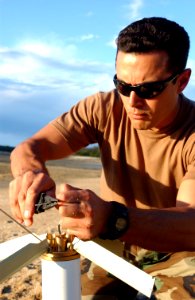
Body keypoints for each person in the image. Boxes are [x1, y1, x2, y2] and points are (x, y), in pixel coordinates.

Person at [9, 16, 195, 299]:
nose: (132, 101)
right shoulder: (102, 107)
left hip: (179, 251)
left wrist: (112, 218)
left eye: (149, 90)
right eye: (122, 85)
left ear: (181, 81)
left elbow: (190, 224)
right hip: (112, 244)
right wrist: (29, 175)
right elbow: (30, 148)